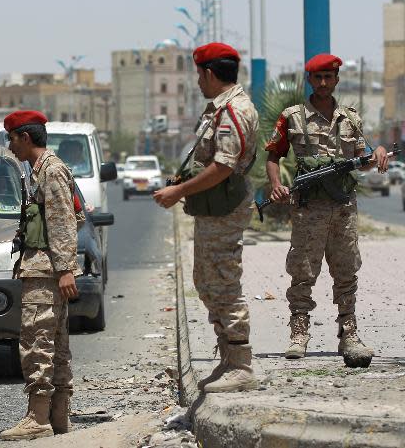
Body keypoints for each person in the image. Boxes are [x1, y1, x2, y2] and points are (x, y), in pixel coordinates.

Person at [264, 53, 388, 368]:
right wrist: (276, 185)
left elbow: (366, 156)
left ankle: (349, 333)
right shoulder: (292, 117)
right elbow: (273, 155)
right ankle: (299, 332)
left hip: (343, 207)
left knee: (346, 271)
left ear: (336, 79)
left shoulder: (350, 118)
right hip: (308, 209)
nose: (322, 83)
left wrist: (380, 154)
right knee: (303, 271)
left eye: (328, 77)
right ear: (309, 79)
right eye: (317, 77)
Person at [153, 42, 260, 393]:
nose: (197, 82)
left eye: (199, 75)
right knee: (206, 279)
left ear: (210, 73)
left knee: (223, 281)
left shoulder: (233, 111)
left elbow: (223, 166)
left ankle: (241, 365)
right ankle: (228, 359)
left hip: (225, 210)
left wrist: (178, 192)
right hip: (213, 209)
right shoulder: (218, 109)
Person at [0, 109, 82, 441]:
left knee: (38, 343)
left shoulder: (51, 172)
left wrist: (64, 270)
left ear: (26, 137)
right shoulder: (40, 171)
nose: (10, 147)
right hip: (45, 270)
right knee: (54, 343)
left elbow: (64, 221)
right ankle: (58, 418)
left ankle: (38, 418)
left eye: (12, 139)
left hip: (46, 273)